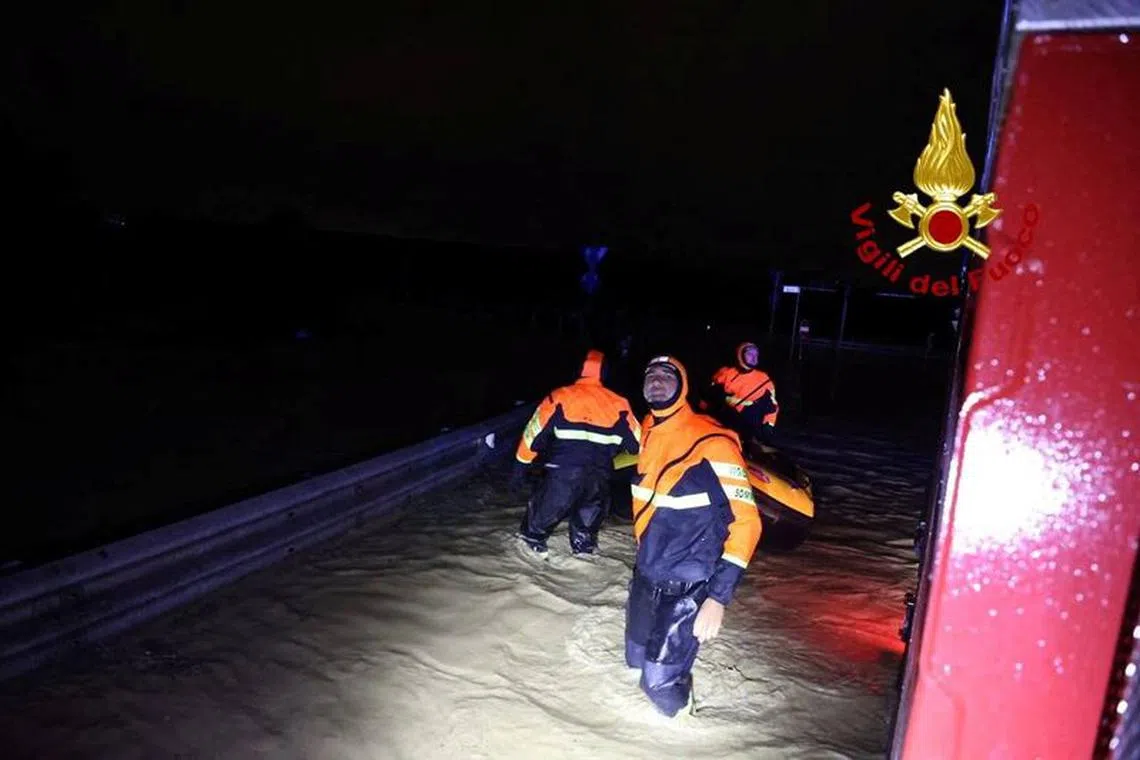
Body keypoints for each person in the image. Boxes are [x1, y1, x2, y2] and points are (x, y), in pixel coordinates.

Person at [625, 355, 762, 718]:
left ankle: (684, 720)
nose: (655, 380)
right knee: (633, 662)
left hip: (688, 585)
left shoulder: (714, 441)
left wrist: (717, 599)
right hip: (647, 574)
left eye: (665, 376)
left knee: (658, 685)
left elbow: (748, 522)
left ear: (682, 385)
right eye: (649, 374)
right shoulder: (647, 432)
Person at [514, 349, 640, 556]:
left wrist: (521, 464)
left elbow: (533, 434)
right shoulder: (620, 404)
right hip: (598, 479)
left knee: (533, 533)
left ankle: (534, 548)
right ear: (606, 373)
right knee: (585, 537)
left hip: (561, 476)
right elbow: (638, 444)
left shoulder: (559, 396)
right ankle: (583, 553)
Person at [707, 341, 778, 445]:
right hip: (722, 421)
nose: (754, 357)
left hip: (748, 424)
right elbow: (709, 393)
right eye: (750, 354)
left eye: (756, 354)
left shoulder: (764, 380)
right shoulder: (725, 372)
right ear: (740, 354)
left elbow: (772, 406)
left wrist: (768, 425)